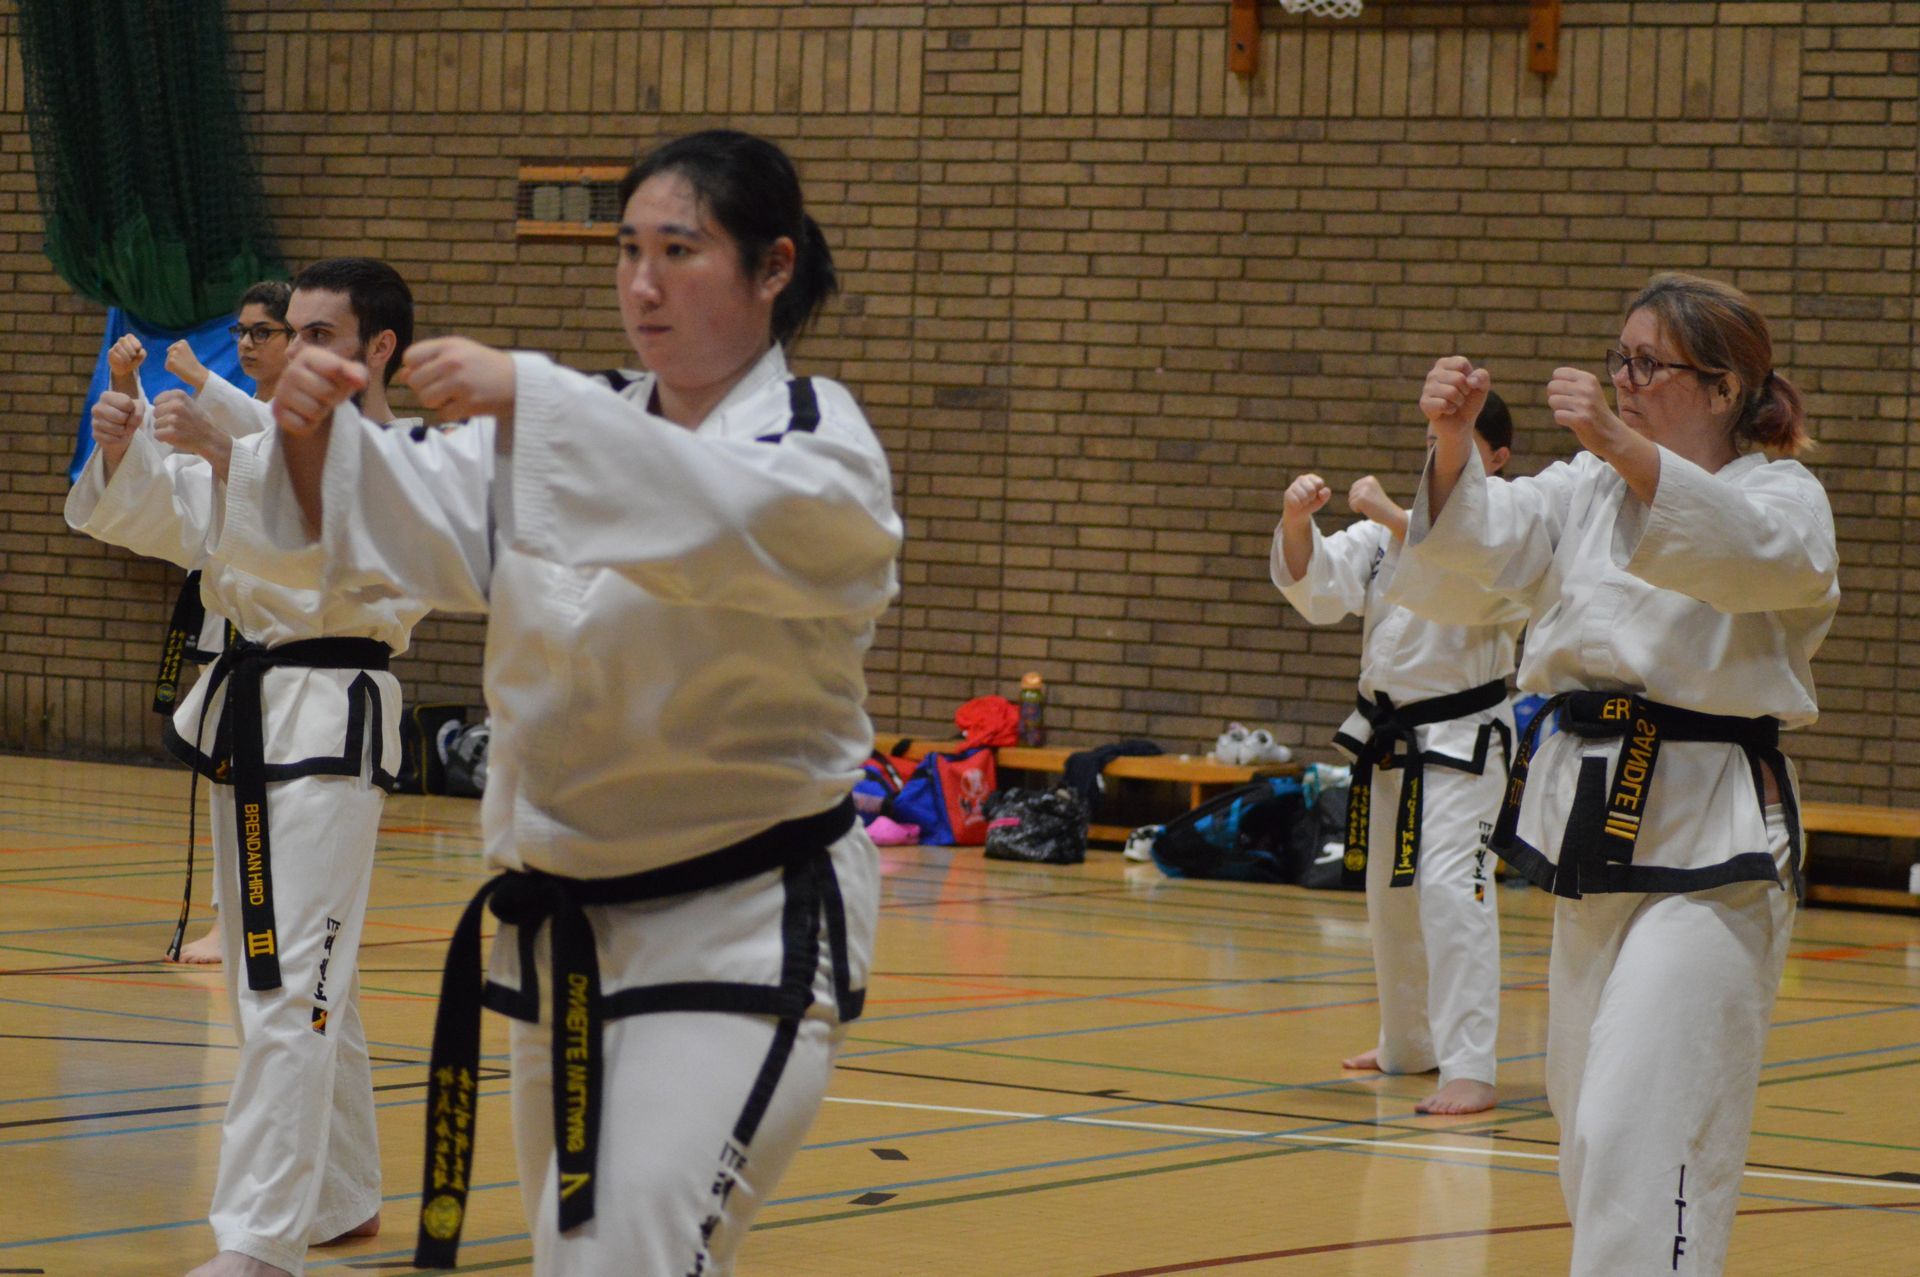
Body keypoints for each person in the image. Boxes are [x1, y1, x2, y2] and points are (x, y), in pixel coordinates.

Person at [220, 130, 899, 1276]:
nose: (642, 282)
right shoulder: (571, 422)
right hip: (570, 927)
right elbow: (390, 511)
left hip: (740, 923)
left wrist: (528, 394)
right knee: (576, 1259)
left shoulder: (817, 445)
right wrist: (313, 423)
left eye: (679, 250)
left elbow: (720, 519)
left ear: (772, 267)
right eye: (629, 249)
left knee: (633, 1251)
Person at [1403, 273, 1836, 1275]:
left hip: (1713, 836)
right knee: (1585, 1120)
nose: (1626, 380)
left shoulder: (1779, 493)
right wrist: (1452, 440)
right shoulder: (1582, 489)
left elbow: (1752, 559)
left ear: (1724, 387)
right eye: (1620, 359)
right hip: (1590, 818)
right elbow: (1479, 545)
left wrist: (1622, 446)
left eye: (1651, 364)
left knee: (1639, 1119)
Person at [66, 257, 427, 1277]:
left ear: (379, 348)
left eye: (320, 335)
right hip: (254, 718)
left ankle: (259, 1242)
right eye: (290, 332)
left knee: (282, 983)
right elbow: (164, 522)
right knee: (310, 980)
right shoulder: (270, 443)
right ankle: (342, 1189)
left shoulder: (401, 456)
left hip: (326, 722)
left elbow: (351, 559)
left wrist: (233, 463)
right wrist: (125, 450)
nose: (292, 352)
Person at [1271, 393, 1527, 1115]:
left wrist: (1388, 512)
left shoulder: (1511, 520)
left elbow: (1468, 572)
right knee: (1392, 900)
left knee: (1452, 890)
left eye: (1459, 438)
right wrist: (1299, 522)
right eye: (1432, 435)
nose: (1438, 447)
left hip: (1466, 738)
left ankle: (1471, 1064)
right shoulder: (1391, 529)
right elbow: (1319, 586)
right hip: (1393, 740)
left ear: (1497, 457)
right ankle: (1409, 1042)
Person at [136, 279, 297, 965]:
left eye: (264, 331)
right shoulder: (248, 409)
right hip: (232, 611)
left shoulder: (306, 418)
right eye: (242, 332)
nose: (248, 344)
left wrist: (203, 379)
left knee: (284, 785)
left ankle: (274, 910)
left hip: (297, 638)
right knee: (226, 768)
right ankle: (227, 914)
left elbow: (271, 458)